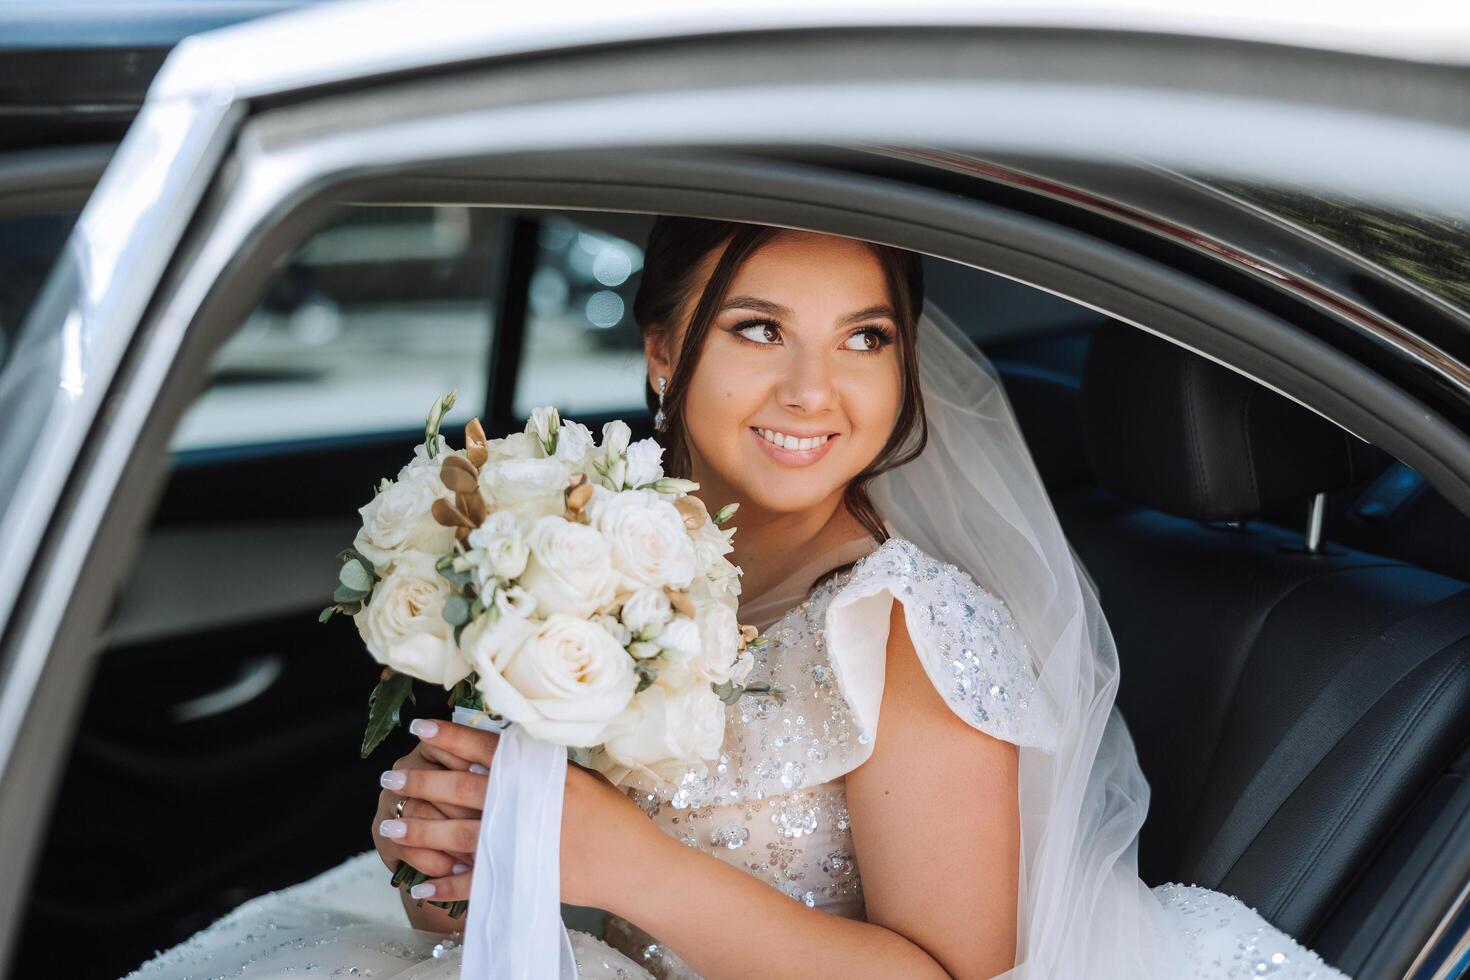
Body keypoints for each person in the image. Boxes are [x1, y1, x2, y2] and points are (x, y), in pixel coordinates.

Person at [121, 218, 1351, 979]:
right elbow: (549, 855)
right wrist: (464, 854)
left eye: (867, 338)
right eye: (761, 328)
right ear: (664, 348)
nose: (817, 389)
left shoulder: (906, 626)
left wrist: (627, 862)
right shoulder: (583, 547)